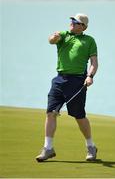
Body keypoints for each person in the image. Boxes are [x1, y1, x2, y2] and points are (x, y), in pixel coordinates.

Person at [36, 13, 98, 162]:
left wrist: (90, 76)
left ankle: (91, 146)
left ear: (83, 26)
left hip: (77, 82)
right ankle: (48, 148)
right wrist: (54, 38)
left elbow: (94, 62)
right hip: (59, 79)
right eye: (71, 20)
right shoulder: (64, 35)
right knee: (51, 112)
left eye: (75, 22)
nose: (72, 23)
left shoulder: (89, 40)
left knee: (79, 116)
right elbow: (51, 40)